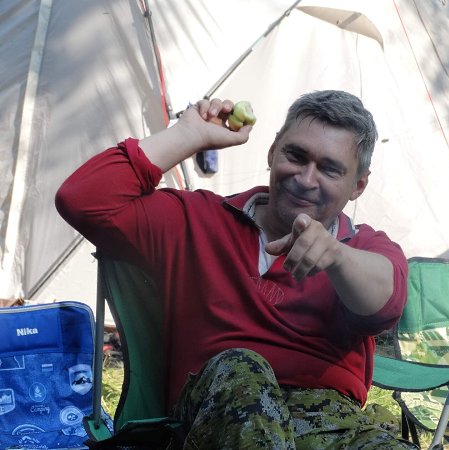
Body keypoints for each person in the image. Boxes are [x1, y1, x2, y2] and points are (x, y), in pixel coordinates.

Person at [56, 90, 412, 449]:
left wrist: (336, 257)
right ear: (272, 152)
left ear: (358, 185)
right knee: (243, 368)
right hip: (217, 410)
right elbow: (83, 199)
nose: (306, 179)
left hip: (327, 424)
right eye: (296, 156)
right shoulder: (198, 219)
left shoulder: (363, 249)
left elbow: (385, 305)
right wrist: (188, 135)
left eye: (329, 169)